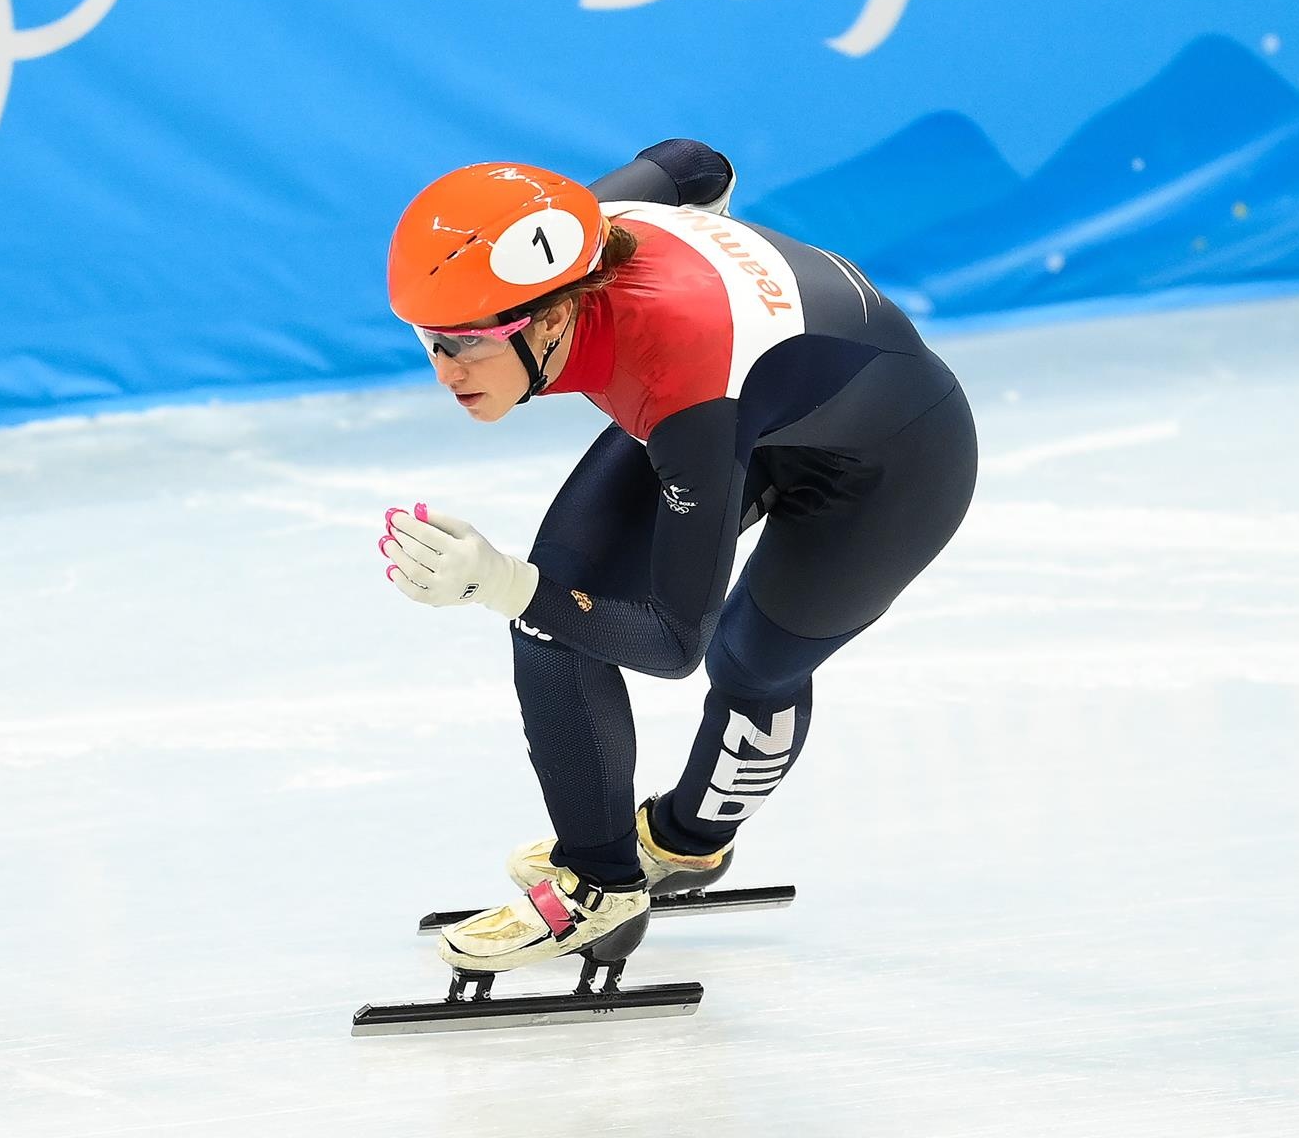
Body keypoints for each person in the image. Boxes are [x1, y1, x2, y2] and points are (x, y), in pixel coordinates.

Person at [377, 139, 978, 975]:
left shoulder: (682, 373)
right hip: (757, 403)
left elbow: (670, 643)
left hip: (888, 467)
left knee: (745, 663)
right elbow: (694, 163)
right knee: (556, 619)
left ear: (553, 317)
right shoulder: (573, 234)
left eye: (467, 343)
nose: (444, 370)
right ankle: (603, 885)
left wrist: (503, 583)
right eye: (429, 340)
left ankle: (689, 841)